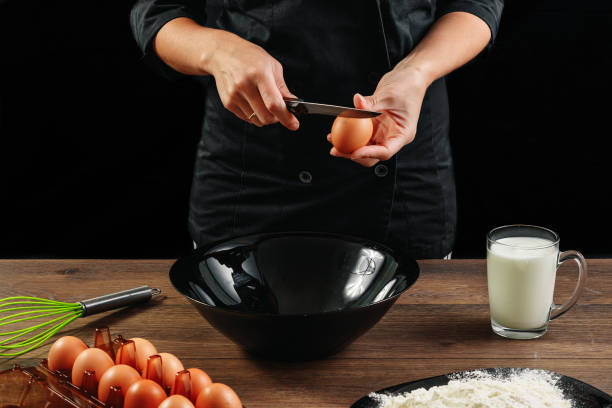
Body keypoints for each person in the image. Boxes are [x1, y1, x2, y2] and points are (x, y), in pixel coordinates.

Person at [130, 1, 503, 259]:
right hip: (253, 181)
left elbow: (476, 4)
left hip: (402, 176)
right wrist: (216, 51)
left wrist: (417, 71)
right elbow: (156, 12)